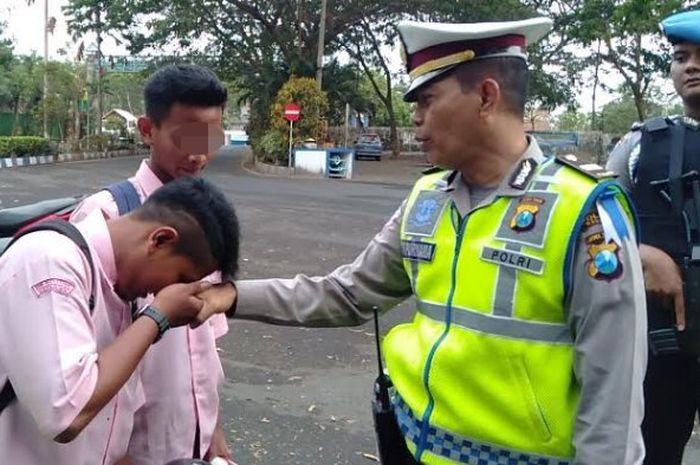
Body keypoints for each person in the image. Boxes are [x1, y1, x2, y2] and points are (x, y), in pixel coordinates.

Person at [199, 17, 647, 465]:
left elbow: (613, 407)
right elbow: (348, 294)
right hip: (411, 448)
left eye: (427, 100)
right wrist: (231, 296)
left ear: (486, 97)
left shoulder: (583, 212)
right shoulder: (427, 198)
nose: (414, 118)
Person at [0, 176, 240, 465]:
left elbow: (110, 430)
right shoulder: (48, 262)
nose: (167, 292)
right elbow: (65, 415)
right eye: (181, 278)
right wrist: (157, 317)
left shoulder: (124, 294)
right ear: (160, 240)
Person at [70, 64, 233, 463]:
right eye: (185, 138)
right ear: (146, 129)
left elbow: (205, 351)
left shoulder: (204, 220)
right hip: (132, 452)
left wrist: (216, 441)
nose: (198, 154)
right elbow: (81, 369)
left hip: (193, 445)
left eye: (210, 138)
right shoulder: (105, 218)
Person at [606, 9, 700, 465]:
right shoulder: (641, 144)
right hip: (664, 340)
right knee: (654, 450)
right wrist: (639, 252)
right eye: (681, 57)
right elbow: (591, 223)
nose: (691, 66)